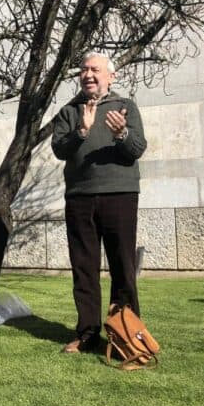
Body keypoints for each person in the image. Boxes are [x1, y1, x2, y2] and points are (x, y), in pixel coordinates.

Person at [51, 51, 148, 353]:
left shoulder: (125, 106)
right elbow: (59, 149)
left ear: (110, 76)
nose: (88, 75)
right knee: (84, 268)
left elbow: (137, 149)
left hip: (119, 195)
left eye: (95, 70)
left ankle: (126, 336)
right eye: (84, 70)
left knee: (122, 266)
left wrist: (122, 134)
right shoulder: (69, 111)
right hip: (79, 197)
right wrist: (82, 130)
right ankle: (88, 333)